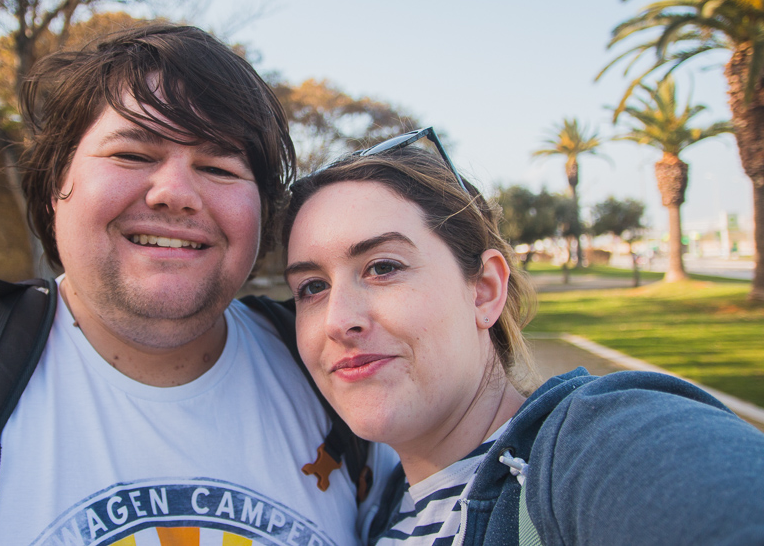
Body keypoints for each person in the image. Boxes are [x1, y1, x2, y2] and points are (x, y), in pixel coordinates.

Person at [0, 24, 392, 545]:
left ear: (263, 213)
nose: (174, 191)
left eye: (219, 166)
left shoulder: (339, 377)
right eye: (132, 154)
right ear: (56, 185)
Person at [282, 129, 764, 545]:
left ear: (485, 290)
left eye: (383, 267)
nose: (336, 320)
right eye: (312, 287)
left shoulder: (590, 450)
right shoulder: (379, 514)